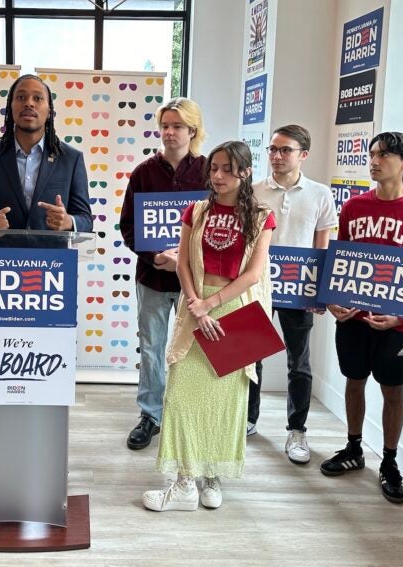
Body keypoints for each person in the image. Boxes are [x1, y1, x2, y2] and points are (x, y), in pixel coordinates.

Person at [142, 141, 275, 511]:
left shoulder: (262, 216)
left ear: (245, 173)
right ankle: (184, 482)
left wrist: (212, 305)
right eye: (213, 168)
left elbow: (253, 275)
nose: (217, 176)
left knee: (225, 400)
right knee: (182, 394)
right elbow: (183, 263)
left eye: (227, 169)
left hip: (235, 310)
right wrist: (197, 307)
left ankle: (212, 474)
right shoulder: (196, 211)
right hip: (195, 307)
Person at [320, 132, 403, 504]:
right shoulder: (353, 206)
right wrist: (333, 300)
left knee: (393, 391)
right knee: (353, 382)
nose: (374, 160)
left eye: (384, 155)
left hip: (395, 324)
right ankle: (354, 448)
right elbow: (342, 262)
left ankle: (389, 461)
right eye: (371, 154)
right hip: (353, 319)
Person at [119, 97, 207, 450]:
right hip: (153, 277)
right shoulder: (144, 172)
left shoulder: (207, 171)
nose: (169, 133)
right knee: (152, 347)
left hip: (197, 281)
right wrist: (154, 255)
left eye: (177, 126)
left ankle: (188, 412)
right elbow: (128, 226)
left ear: (192, 131)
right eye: (165, 126)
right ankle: (150, 415)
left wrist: (186, 260)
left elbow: (217, 226)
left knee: (195, 348)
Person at [249, 125, 337, 464]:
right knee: (250, 356)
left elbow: (322, 243)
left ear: (303, 154)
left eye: (285, 150)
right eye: (273, 149)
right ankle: (248, 420)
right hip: (259, 286)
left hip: (300, 289)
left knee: (298, 361)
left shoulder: (320, 194)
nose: (277, 156)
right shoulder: (255, 191)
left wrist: (320, 291)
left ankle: (296, 430)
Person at [0, 74, 92, 233]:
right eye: (21, 97)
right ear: (10, 107)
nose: (29, 103)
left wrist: (68, 222)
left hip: (54, 256)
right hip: (3, 256)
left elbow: (86, 219)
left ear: (49, 112)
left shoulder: (71, 158)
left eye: (38, 98)